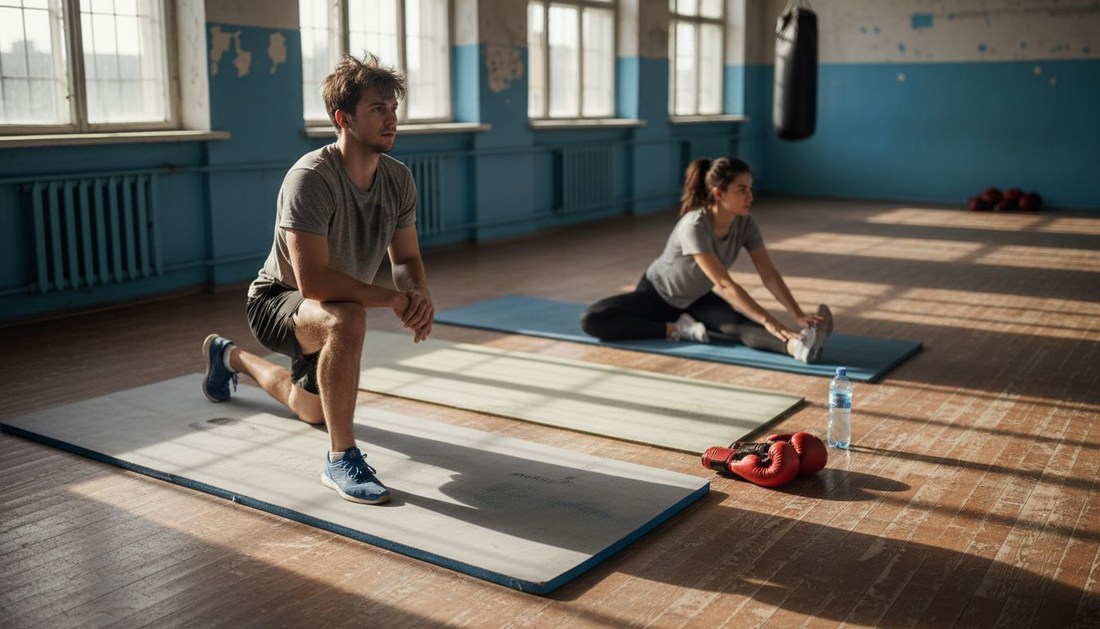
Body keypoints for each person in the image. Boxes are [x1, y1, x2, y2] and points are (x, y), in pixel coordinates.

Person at [201, 54, 434, 505]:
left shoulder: (399, 179)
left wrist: (417, 292)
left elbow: (405, 257)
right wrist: (393, 300)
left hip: (325, 308)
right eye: (377, 109)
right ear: (342, 118)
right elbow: (314, 284)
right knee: (347, 319)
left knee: (311, 409)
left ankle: (228, 357)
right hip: (277, 301)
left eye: (392, 107)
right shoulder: (310, 178)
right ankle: (340, 457)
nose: (391, 119)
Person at [581, 157, 832, 362]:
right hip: (657, 295)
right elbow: (724, 285)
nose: (750, 197)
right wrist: (769, 319)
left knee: (736, 325)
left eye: (750, 189)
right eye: (741, 190)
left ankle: (798, 347)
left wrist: (797, 315)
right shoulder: (694, 225)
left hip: (697, 297)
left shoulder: (745, 224)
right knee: (593, 319)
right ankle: (676, 328)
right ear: (719, 193)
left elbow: (768, 274)